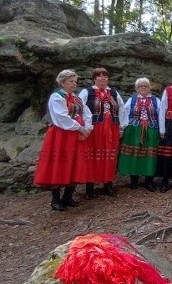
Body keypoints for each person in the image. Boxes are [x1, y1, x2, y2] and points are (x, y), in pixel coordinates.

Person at [33, 69, 93, 211]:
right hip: (61, 136)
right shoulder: (57, 97)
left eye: (75, 81)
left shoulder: (76, 98)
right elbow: (62, 118)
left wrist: (88, 127)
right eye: (71, 81)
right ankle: (55, 200)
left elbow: (87, 113)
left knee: (75, 165)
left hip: (76, 136)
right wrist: (81, 128)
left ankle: (67, 196)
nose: (74, 84)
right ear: (63, 82)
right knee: (59, 165)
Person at [79, 67, 124, 198]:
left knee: (110, 156)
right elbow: (80, 107)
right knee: (92, 157)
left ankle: (108, 185)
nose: (103, 78)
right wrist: (84, 126)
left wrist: (121, 126)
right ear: (94, 78)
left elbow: (121, 108)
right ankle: (89, 188)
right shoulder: (87, 92)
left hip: (112, 129)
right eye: (99, 76)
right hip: (95, 129)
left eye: (105, 76)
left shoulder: (114, 93)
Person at [117, 78, 161, 192]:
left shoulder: (156, 100)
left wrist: (162, 130)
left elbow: (161, 115)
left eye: (146, 86)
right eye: (141, 86)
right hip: (134, 130)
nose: (144, 88)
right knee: (134, 154)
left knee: (150, 156)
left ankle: (149, 180)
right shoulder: (132, 100)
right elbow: (124, 113)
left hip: (151, 130)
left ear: (149, 87)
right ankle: (134, 179)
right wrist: (122, 128)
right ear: (137, 88)